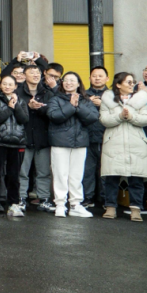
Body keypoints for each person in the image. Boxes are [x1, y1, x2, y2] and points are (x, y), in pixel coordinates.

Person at [47, 72, 99, 218]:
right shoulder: (55, 99)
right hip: (60, 142)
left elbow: (93, 117)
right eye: (66, 80)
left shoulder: (85, 100)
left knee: (76, 175)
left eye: (72, 80)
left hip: (80, 141)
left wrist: (78, 106)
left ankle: (75, 204)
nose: (68, 83)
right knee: (60, 174)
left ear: (78, 83)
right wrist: (71, 106)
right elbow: (54, 116)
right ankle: (60, 204)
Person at [98, 72, 147, 221]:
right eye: (128, 82)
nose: (132, 85)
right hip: (114, 142)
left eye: (133, 82)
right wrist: (119, 116)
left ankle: (136, 209)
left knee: (136, 178)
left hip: (136, 142)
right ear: (118, 85)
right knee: (111, 177)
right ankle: (110, 207)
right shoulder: (107, 99)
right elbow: (104, 120)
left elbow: (145, 119)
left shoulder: (142, 98)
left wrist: (131, 117)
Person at [0, 75, 29, 217]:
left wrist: (16, 105)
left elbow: (24, 119)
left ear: (16, 86)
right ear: (0, 85)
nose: (7, 86)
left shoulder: (21, 101)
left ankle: (13, 204)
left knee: (14, 176)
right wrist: (9, 108)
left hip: (17, 143)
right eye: (4, 84)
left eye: (10, 84)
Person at [18, 63, 54, 211]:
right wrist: (28, 107)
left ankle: (44, 198)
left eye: (38, 72)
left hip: (42, 138)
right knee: (22, 171)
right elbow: (14, 111)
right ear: (24, 75)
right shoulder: (18, 91)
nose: (35, 75)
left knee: (44, 172)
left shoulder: (47, 92)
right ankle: (20, 198)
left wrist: (39, 108)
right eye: (32, 72)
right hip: (23, 138)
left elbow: (52, 111)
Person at [81, 66, 109, 209]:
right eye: (94, 76)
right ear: (89, 78)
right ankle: (88, 197)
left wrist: (103, 104)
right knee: (88, 170)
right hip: (87, 137)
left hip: (107, 138)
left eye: (100, 75)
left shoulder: (112, 95)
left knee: (106, 171)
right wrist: (88, 103)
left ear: (107, 79)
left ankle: (105, 199)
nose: (97, 78)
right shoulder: (83, 95)